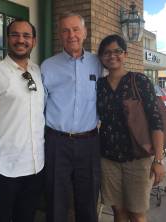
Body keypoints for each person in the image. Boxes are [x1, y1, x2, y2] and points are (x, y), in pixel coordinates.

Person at [0, 19, 45, 222]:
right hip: (3, 169)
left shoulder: (37, 71)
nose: (20, 40)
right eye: (15, 35)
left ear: (34, 41)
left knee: (27, 218)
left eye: (26, 36)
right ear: (7, 39)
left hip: (35, 166)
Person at [40, 12, 102, 222]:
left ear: (84, 32)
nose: (71, 34)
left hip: (89, 142)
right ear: (59, 34)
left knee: (88, 200)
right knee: (56, 200)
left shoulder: (98, 64)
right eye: (65, 30)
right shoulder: (47, 66)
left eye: (76, 29)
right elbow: (36, 104)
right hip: (57, 142)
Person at [96, 34, 165, 222]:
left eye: (117, 51)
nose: (112, 56)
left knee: (137, 213)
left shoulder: (139, 81)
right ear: (101, 58)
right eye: (106, 52)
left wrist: (158, 160)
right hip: (108, 158)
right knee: (118, 211)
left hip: (138, 158)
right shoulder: (99, 86)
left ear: (125, 54)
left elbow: (156, 121)